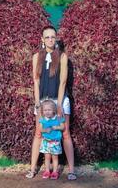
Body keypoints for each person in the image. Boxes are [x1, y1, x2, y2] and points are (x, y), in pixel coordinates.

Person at [26, 25, 76, 180]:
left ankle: (72, 170)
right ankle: (33, 168)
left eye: (52, 37)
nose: (50, 39)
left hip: (59, 99)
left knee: (65, 133)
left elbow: (63, 82)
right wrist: (37, 103)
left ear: (56, 39)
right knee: (39, 133)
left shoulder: (62, 57)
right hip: (43, 101)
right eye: (47, 37)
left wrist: (59, 104)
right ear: (42, 39)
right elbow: (36, 81)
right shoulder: (36, 57)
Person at [38, 99, 65, 180]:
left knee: (55, 158)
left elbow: (63, 127)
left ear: (54, 110)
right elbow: (40, 129)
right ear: (43, 111)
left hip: (55, 142)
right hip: (46, 141)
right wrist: (45, 130)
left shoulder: (58, 118)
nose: (47, 112)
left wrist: (57, 127)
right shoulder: (43, 119)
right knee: (46, 157)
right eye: (45, 110)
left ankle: (55, 172)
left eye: (49, 110)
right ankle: (47, 171)